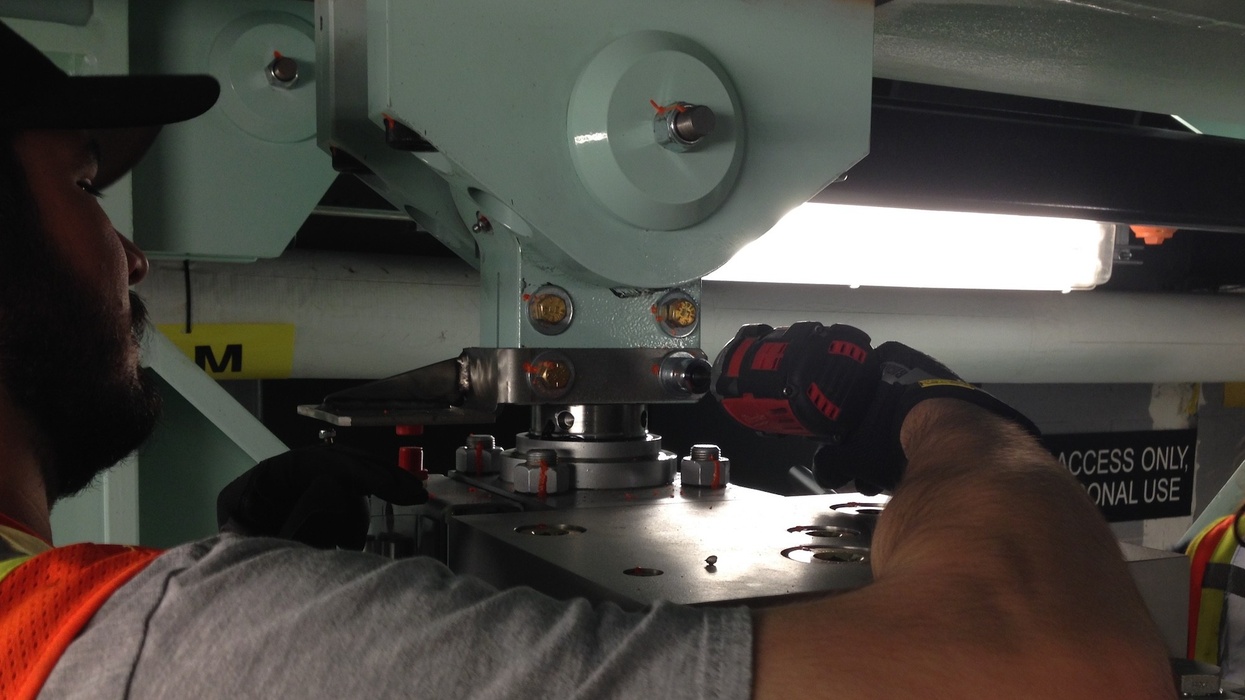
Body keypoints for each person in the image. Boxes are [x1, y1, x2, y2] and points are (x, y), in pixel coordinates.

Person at [0, 20, 1175, 699]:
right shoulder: (161, 649)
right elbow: (1061, 669)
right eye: (85, 186)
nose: (131, 254)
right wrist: (946, 417)